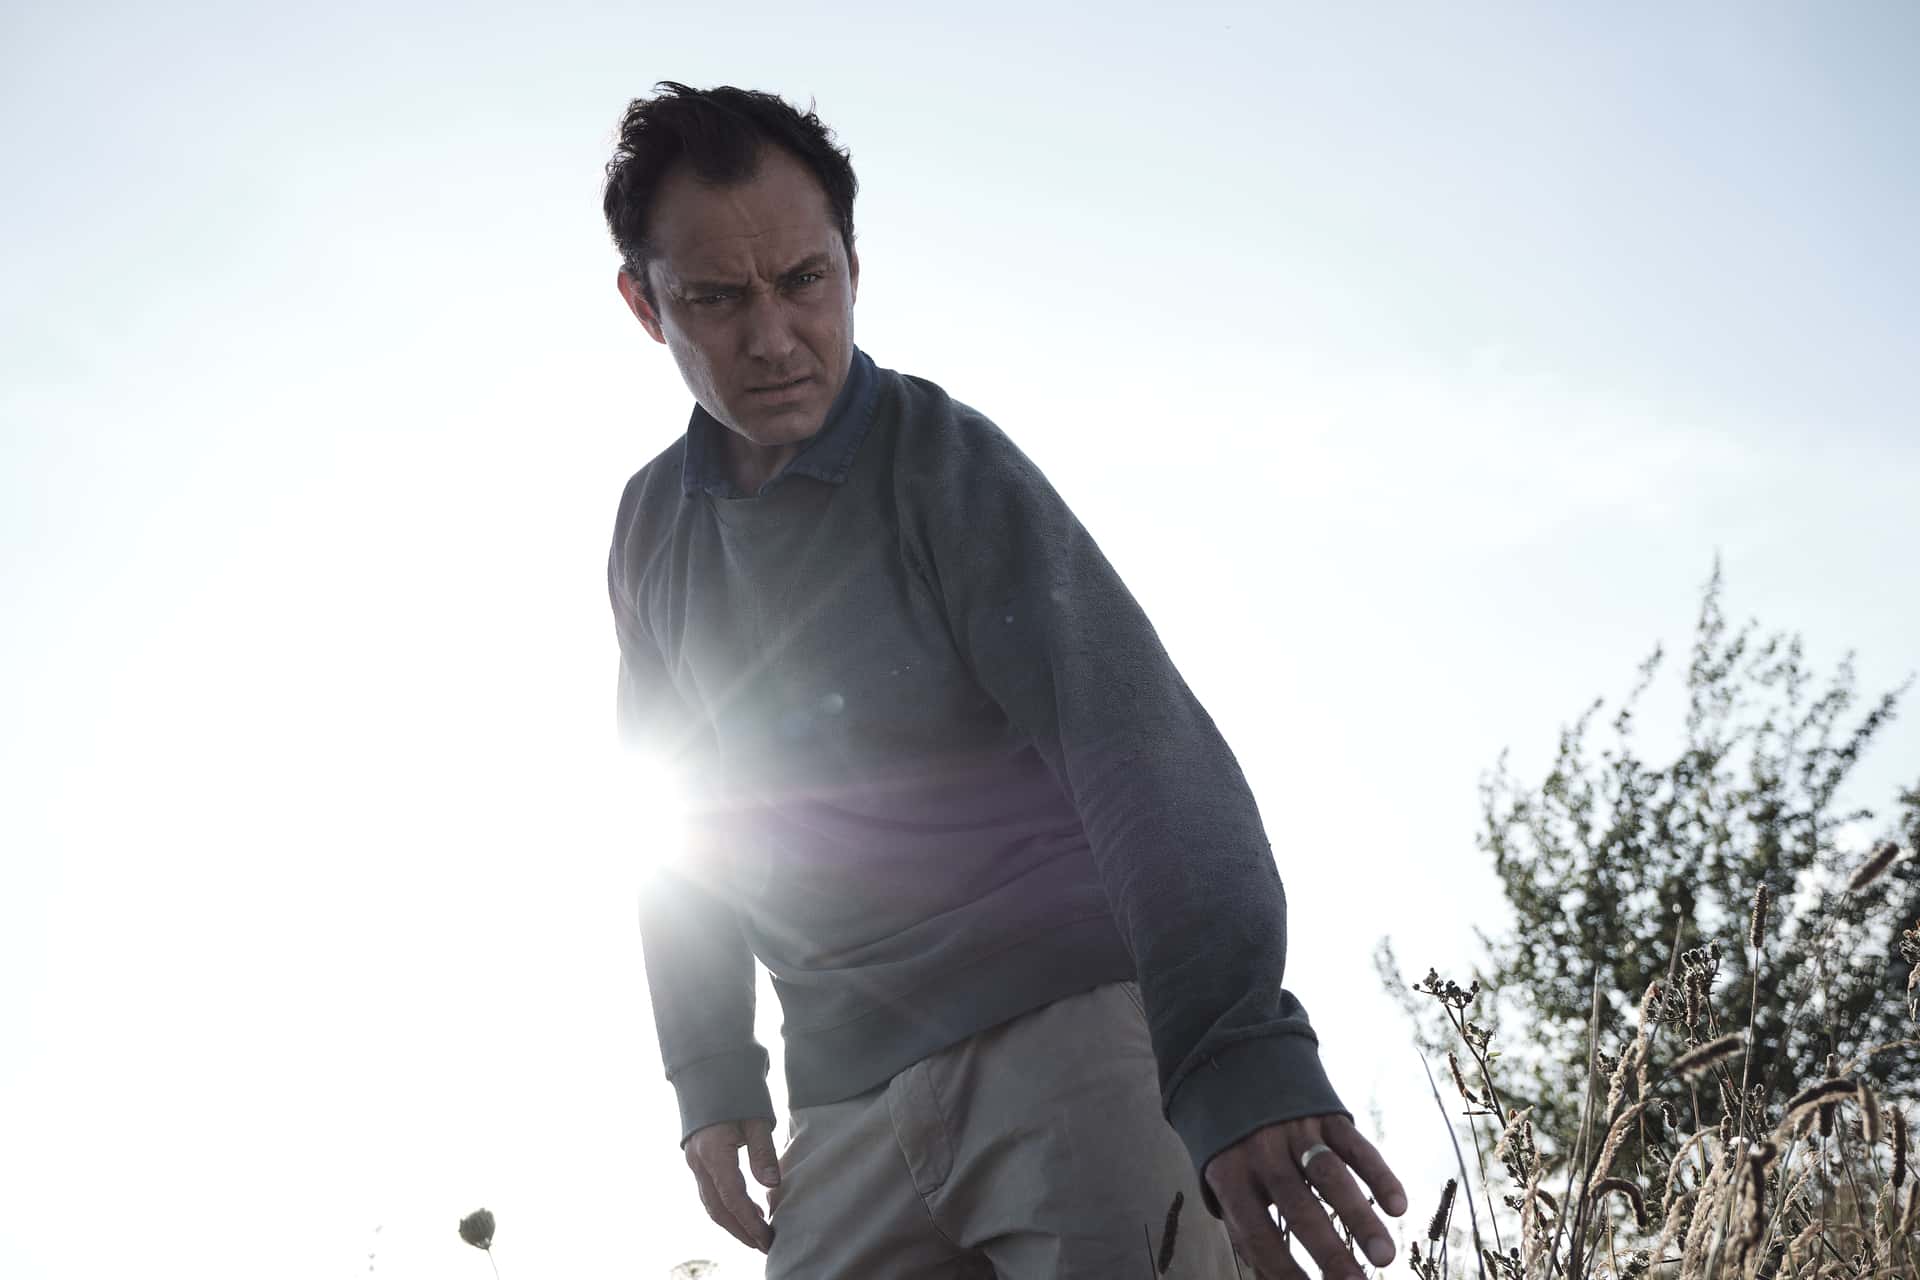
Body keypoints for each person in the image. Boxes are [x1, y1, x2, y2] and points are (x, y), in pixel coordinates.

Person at [601, 81, 1407, 1279]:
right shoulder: (653, 532)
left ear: (853, 267)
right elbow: (678, 818)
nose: (772, 337)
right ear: (646, 305)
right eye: (717, 298)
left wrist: (1234, 1048)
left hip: (1068, 1041)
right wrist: (710, 1073)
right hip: (843, 1099)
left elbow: (1135, 743)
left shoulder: (944, 466)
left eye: (804, 281)